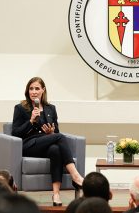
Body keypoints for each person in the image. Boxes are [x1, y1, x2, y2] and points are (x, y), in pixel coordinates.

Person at [11, 77, 84, 206]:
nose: (33, 92)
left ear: (43, 90)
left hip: (45, 144)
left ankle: (56, 194)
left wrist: (51, 134)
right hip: (29, 145)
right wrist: (31, 121)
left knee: (55, 149)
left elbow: (56, 131)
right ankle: (76, 176)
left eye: (37, 88)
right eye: (31, 89)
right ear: (27, 91)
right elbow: (15, 133)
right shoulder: (20, 108)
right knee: (60, 137)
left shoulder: (51, 108)